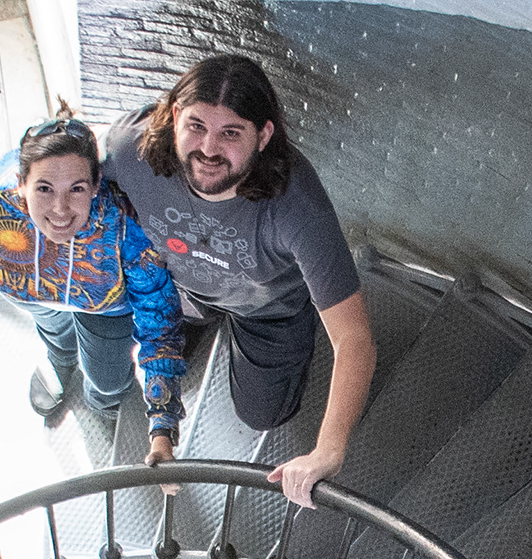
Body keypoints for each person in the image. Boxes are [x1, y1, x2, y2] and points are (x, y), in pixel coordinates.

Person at [102, 53, 375, 505]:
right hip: (180, 293)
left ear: (263, 136)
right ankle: (201, 324)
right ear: (174, 116)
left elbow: (354, 337)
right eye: (196, 126)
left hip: (267, 309)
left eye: (230, 133)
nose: (208, 150)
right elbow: (61, 177)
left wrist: (328, 450)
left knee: (264, 414)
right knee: (127, 360)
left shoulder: (296, 204)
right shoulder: (131, 151)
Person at [0, 116, 185, 439]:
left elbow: (159, 321)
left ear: (96, 186)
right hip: (30, 294)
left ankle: (104, 400)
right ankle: (61, 359)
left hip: (104, 310)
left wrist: (163, 418)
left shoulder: (125, 227)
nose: (60, 209)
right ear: (21, 183)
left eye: (77, 189)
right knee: (55, 332)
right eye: (44, 188)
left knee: (107, 379)